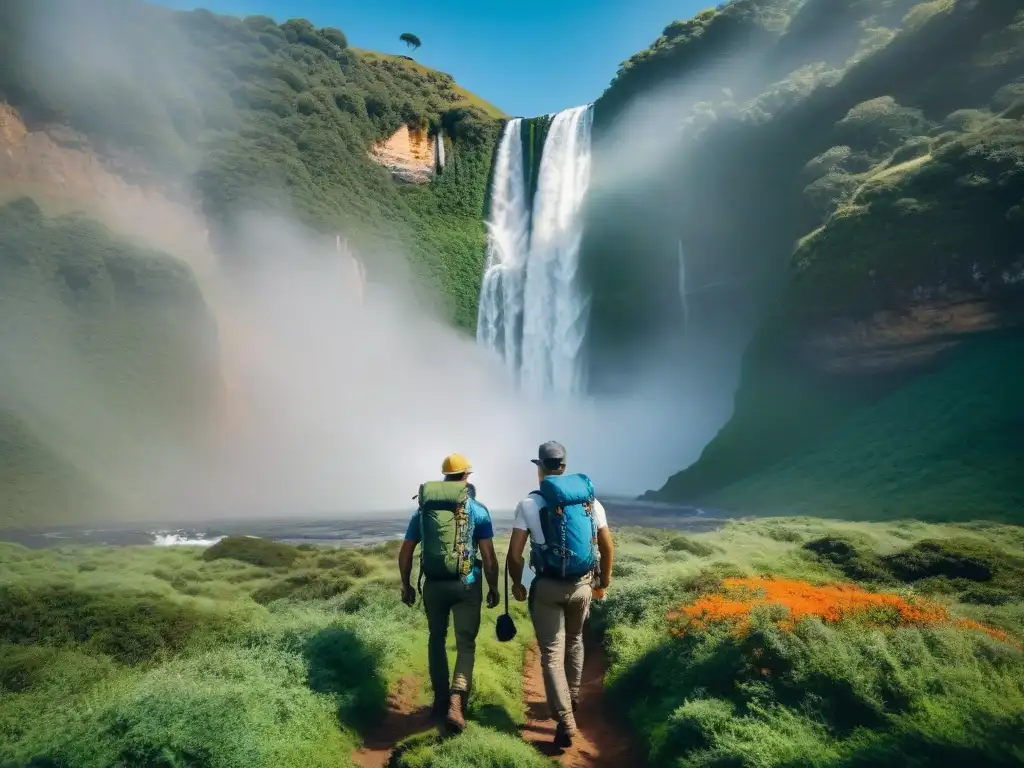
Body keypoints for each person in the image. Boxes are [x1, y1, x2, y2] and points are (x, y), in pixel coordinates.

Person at [506, 441, 614, 748]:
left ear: (540, 467)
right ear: (564, 466)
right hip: (582, 586)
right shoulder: (589, 502)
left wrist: (517, 583)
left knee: (551, 655)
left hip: (548, 588)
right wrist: (602, 582)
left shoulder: (529, 504)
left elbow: (514, 556)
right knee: (575, 640)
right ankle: (574, 696)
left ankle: (566, 721)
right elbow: (607, 546)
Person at [397, 452, 500, 733]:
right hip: (467, 583)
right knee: (465, 643)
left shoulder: (423, 512)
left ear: (444, 477)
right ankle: (458, 698)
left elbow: (406, 552)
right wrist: (493, 588)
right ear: (467, 477)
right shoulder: (477, 510)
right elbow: (489, 557)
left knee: (436, 639)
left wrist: (406, 585)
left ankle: (440, 701)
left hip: (433, 584)